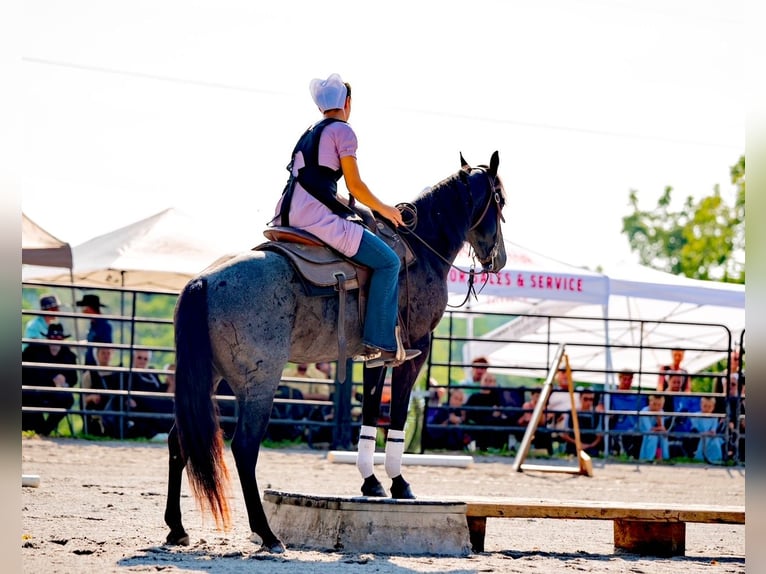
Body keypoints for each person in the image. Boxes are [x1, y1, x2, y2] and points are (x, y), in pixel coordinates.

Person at [272, 72, 419, 369]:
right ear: (347, 103)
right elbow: (356, 186)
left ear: (320, 108)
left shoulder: (310, 131)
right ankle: (379, 343)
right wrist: (386, 209)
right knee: (388, 261)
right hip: (315, 216)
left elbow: (317, 179)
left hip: (287, 211)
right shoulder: (343, 131)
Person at [22, 323, 78, 436]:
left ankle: (45, 430)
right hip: (36, 390)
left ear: (63, 340)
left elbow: (74, 378)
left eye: (58, 338)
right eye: (52, 337)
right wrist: (51, 379)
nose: (55, 341)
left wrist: (65, 380)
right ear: (47, 338)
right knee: (27, 396)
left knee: (67, 399)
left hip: (56, 394)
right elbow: (27, 373)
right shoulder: (34, 351)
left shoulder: (69, 355)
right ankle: (38, 430)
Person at [126, 349, 173, 438]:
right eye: (139, 358)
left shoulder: (152, 374)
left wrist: (171, 382)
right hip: (142, 402)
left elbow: (161, 390)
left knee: (173, 406)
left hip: (157, 401)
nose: (142, 361)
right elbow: (126, 391)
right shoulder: (129, 375)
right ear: (133, 358)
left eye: (145, 359)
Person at [464, 371, 511, 450]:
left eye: (490, 381)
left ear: (494, 383)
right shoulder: (474, 397)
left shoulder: (498, 396)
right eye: (485, 380)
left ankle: (498, 448)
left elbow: (502, 410)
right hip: (478, 422)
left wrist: (498, 413)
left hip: (494, 422)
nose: (487, 383)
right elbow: (469, 413)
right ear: (481, 382)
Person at [82, 347, 123, 437]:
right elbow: (83, 398)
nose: (106, 356)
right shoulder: (89, 374)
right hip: (97, 409)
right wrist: (91, 397)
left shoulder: (118, 373)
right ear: (97, 355)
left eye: (108, 353)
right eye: (103, 353)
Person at [607, 369, 646, 458]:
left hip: (634, 431)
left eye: (629, 379)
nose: (627, 382)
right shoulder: (611, 394)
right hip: (616, 430)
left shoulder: (639, 397)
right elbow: (600, 407)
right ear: (619, 379)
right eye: (624, 379)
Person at [558, 390, 604, 457]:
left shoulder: (596, 415)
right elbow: (565, 435)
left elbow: (599, 436)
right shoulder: (571, 413)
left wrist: (588, 445)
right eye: (585, 399)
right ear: (580, 398)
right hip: (573, 446)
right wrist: (578, 444)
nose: (588, 402)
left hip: (590, 448)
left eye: (591, 399)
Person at [664, 373, 699, 458]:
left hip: (685, 428)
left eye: (679, 382)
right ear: (669, 381)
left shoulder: (685, 397)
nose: (676, 385)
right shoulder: (664, 396)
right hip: (669, 427)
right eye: (674, 382)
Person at [76, 294, 113, 366]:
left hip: (97, 368)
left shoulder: (104, 326)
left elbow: (106, 349)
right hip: (91, 365)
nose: (82, 311)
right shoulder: (94, 324)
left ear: (89, 308)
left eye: (83, 308)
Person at [515, 389, 553, 455]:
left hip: (537, 429)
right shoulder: (527, 405)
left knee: (545, 433)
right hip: (525, 429)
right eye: (537, 396)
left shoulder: (545, 407)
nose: (539, 398)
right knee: (539, 432)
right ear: (532, 396)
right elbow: (530, 420)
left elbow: (543, 421)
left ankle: (547, 453)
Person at [690, 396, 724, 463]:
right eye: (705, 406)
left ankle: (714, 457)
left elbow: (713, 430)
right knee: (704, 438)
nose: (707, 409)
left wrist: (711, 432)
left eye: (709, 407)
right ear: (700, 405)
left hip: (710, 436)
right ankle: (699, 455)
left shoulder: (714, 417)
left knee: (716, 440)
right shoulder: (696, 415)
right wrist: (705, 433)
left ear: (713, 407)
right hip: (698, 437)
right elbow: (695, 429)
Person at [638, 394, 670, 461]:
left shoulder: (661, 411)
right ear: (650, 402)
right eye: (654, 404)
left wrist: (659, 419)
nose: (656, 407)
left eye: (659, 405)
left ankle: (665, 458)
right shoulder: (645, 412)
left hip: (655, 430)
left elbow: (662, 427)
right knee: (653, 436)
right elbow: (649, 428)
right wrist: (661, 428)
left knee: (664, 435)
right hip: (643, 431)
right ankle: (649, 458)